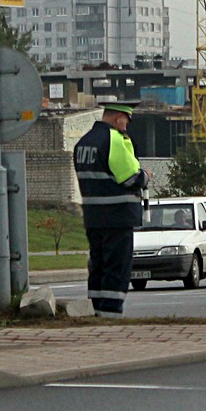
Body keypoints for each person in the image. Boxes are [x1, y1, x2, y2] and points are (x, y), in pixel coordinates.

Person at [73, 101, 148, 314]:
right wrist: (146, 176)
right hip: (117, 216)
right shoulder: (115, 139)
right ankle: (110, 314)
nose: (126, 126)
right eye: (126, 121)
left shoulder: (83, 142)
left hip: (93, 217)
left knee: (98, 266)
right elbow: (131, 178)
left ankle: (97, 311)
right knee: (117, 268)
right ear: (118, 118)